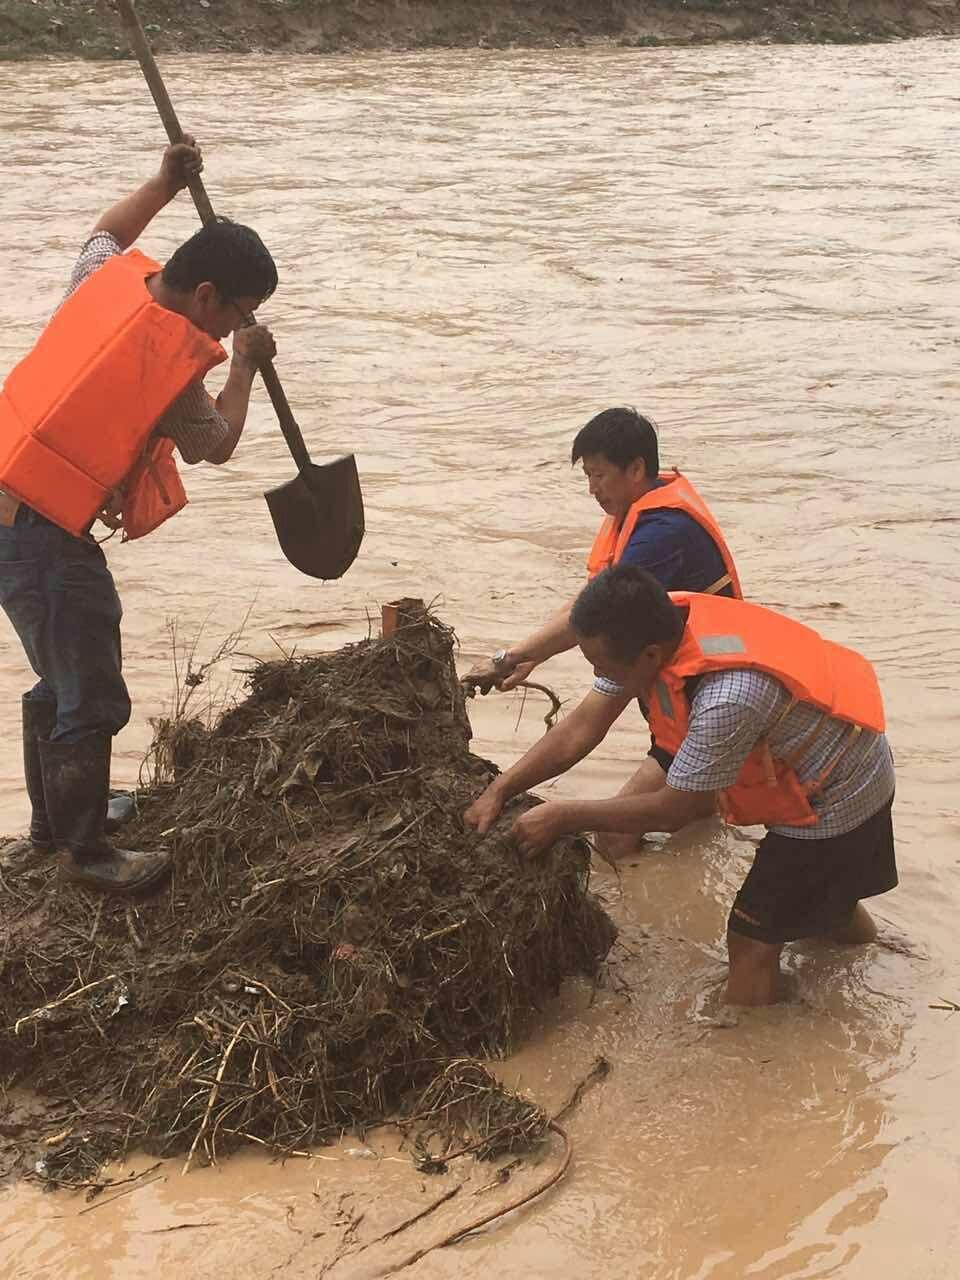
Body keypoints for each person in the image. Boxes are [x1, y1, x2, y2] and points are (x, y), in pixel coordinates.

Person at [0, 137, 278, 895]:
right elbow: (214, 445)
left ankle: (53, 828)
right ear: (206, 296)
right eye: (236, 316)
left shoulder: (103, 284)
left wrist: (160, 182)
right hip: (40, 535)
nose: (228, 333)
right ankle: (86, 854)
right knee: (91, 690)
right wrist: (246, 369)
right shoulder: (175, 368)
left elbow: (104, 234)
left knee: (58, 679)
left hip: (9, 516)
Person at [464, 566, 897, 1006]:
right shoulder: (658, 622)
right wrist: (498, 790)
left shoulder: (726, 697)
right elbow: (580, 730)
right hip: (846, 758)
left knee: (750, 941)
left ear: (650, 656)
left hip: (837, 796)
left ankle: (752, 1052)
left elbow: (676, 809)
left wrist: (562, 815)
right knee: (827, 898)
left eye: (601, 666)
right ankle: (881, 961)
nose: (598, 674)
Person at [465, 406, 742, 696]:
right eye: (588, 476)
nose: (592, 489)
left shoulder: (661, 532)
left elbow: (598, 615)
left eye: (598, 475)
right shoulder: (633, 512)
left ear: (636, 469)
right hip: (677, 669)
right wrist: (533, 655)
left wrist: (507, 659)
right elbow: (591, 598)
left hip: (714, 682)